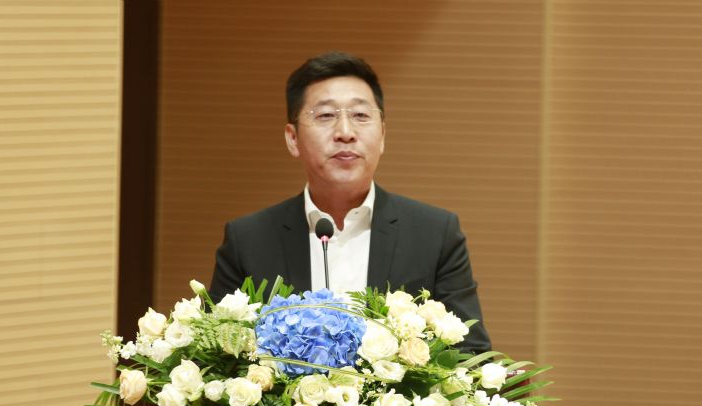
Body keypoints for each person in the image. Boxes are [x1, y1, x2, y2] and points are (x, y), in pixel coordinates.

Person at [209, 51, 491, 353]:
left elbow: (471, 354)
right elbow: (213, 354)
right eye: (325, 116)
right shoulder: (248, 240)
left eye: (360, 116)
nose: (345, 133)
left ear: (382, 135)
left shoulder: (434, 234)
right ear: (293, 138)